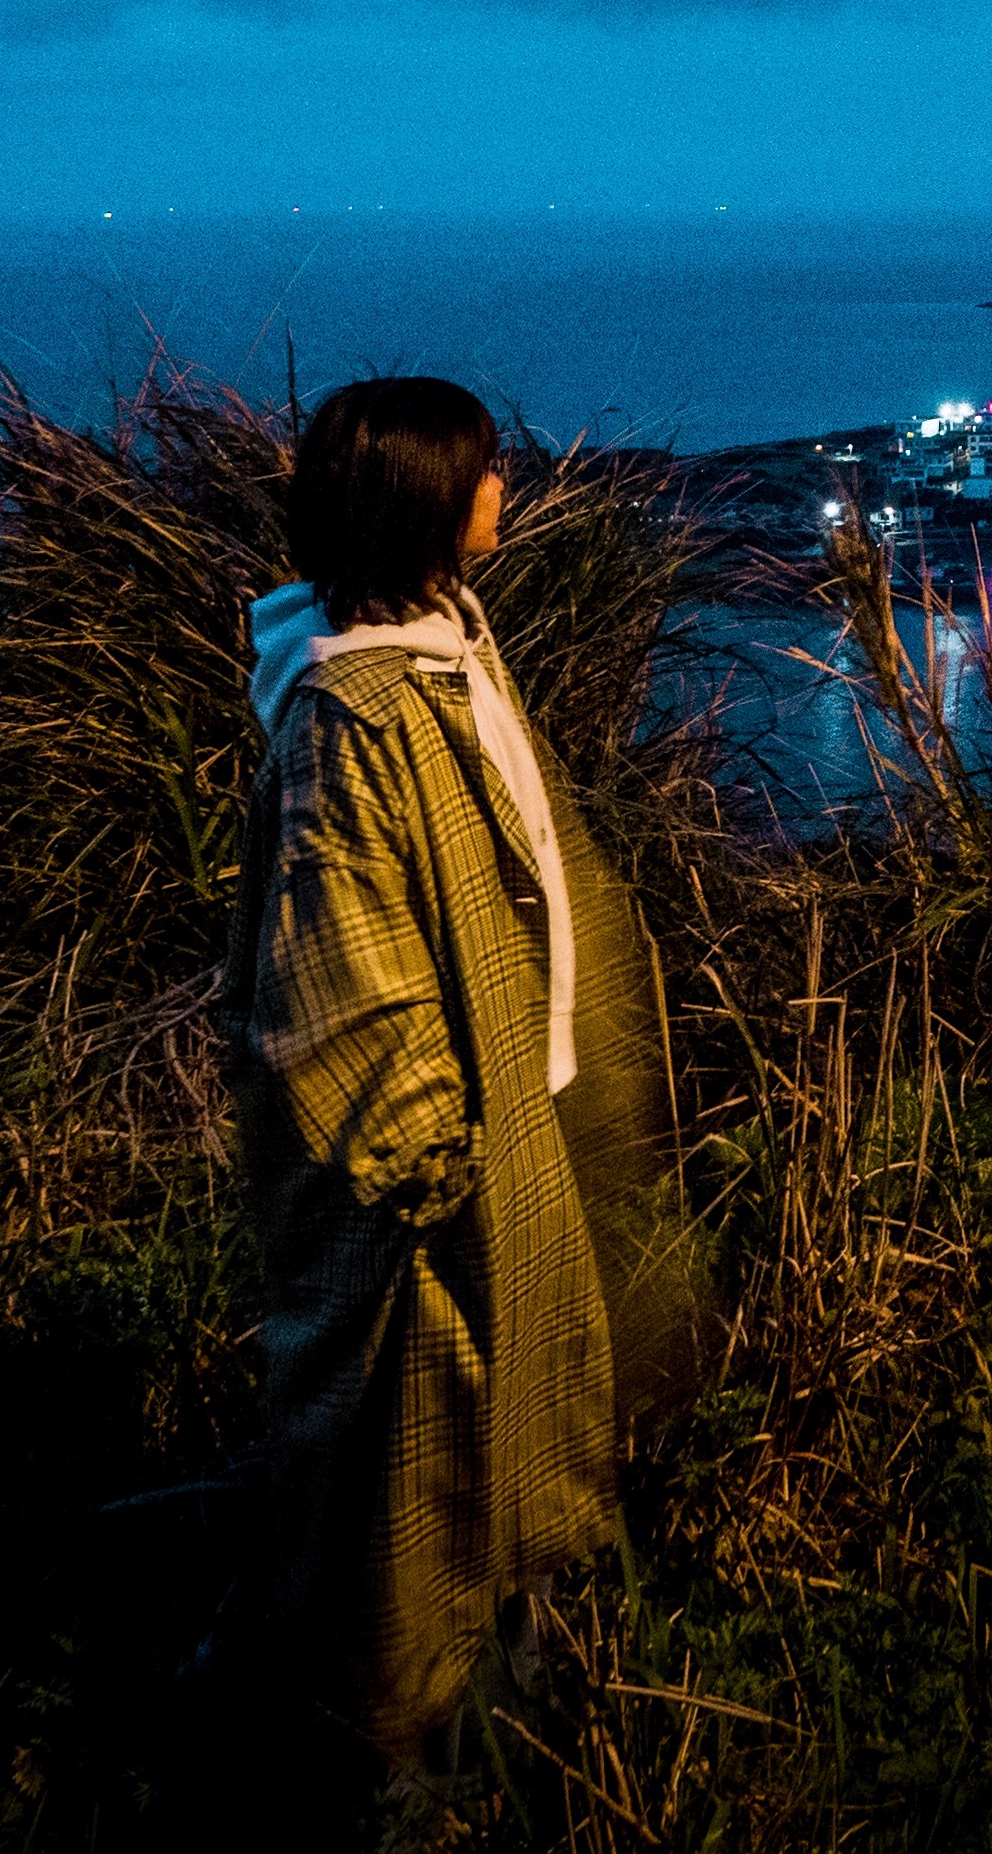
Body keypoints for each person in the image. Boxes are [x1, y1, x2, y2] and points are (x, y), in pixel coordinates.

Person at [228, 376, 693, 1769]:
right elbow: (339, 967)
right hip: (436, 1164)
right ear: (425, 499)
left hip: (510, 1110)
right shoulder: (354, 715)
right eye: (484, 470)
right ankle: (387, 1748)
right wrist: (434, 1155)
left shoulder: (444, 651)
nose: (504, 488)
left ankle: (500, 1695)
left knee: (514, 1408)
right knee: (413, 1447)